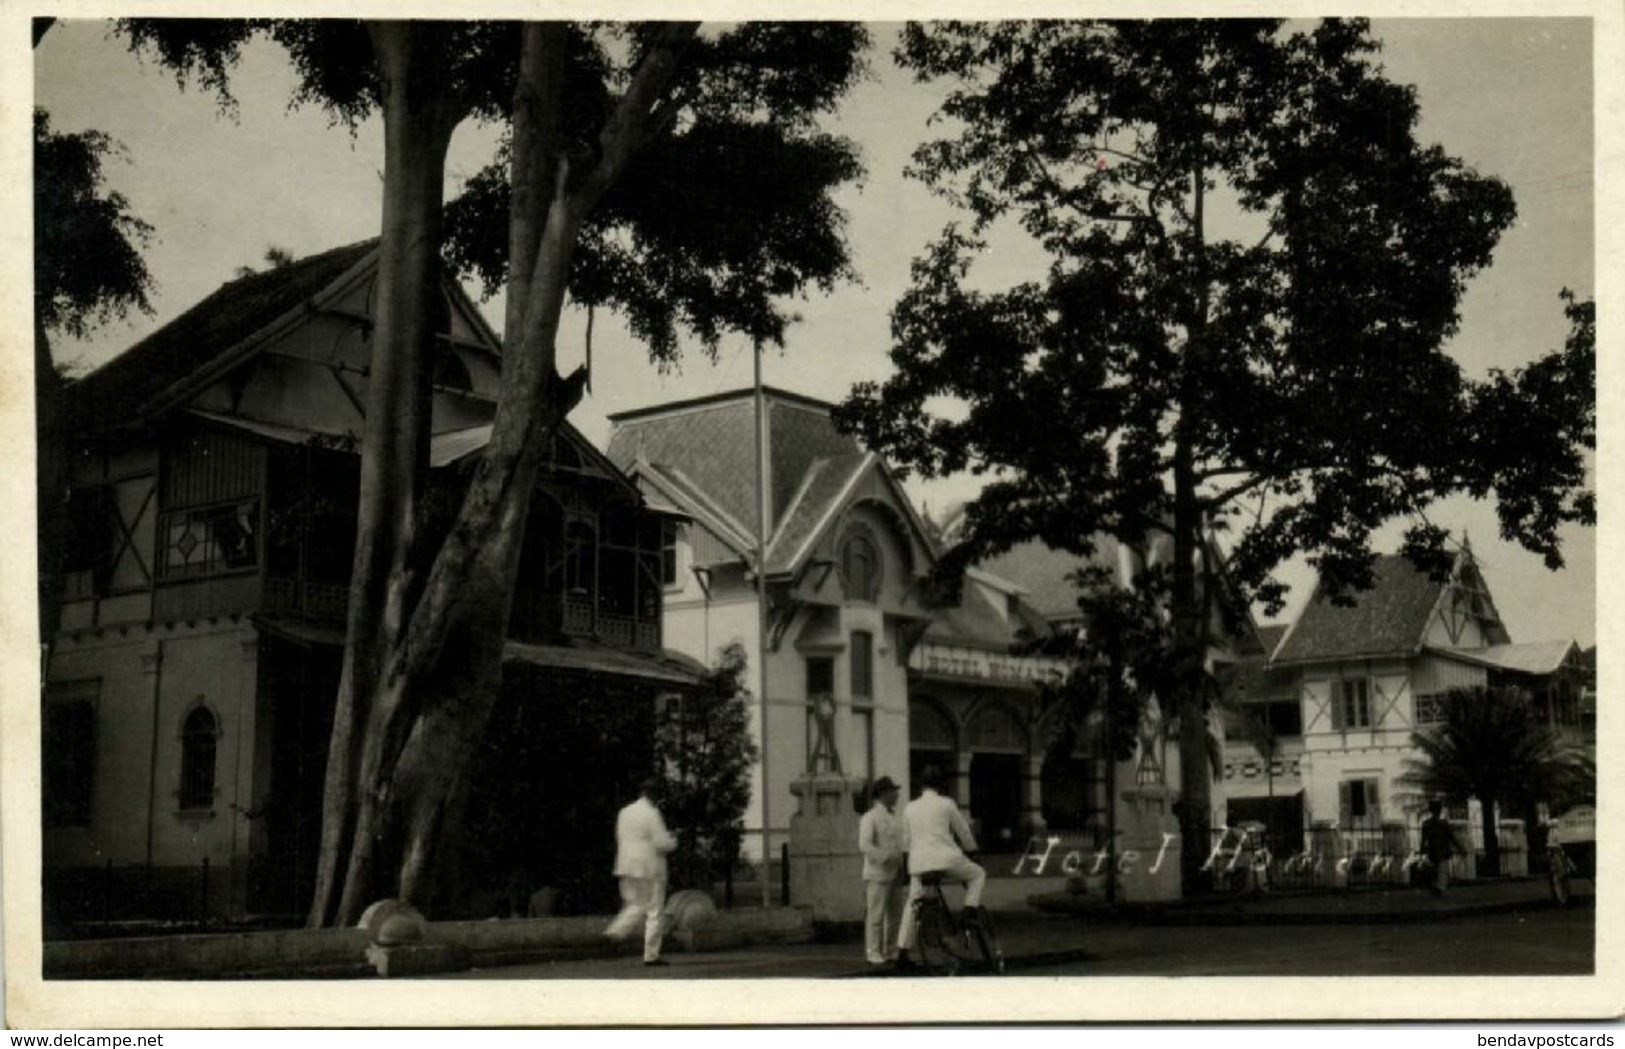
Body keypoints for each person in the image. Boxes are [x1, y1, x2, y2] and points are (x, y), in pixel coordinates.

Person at [894, 766, 987, 969]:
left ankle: (902, 952)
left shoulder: (909, 808)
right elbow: (963, 832)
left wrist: (907, 869)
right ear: (940, 785)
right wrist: (973, 852)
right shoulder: (947, 804)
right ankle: (969, 910)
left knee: (912, 903)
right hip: (946, 859)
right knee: (978, 874)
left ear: (922, 785)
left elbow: (906, 842)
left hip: (918, 863)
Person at [605, 778, 678, 965]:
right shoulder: (652, 813)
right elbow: (661, 843)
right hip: (649, 868)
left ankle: (615, 932)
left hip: (625, 866)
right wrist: (674, 839)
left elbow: (621, 837)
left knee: (635, 904)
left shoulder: (624, 812)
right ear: (654, 795)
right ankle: (651, 956)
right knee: (654, 911)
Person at [858, 775, 907, 966]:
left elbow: (899, 843)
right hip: (877, 873)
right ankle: (872, 952)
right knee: (875, 914)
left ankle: (890, 950)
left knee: (895, 915)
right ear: (883, 794)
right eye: (893, 791)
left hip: (895, 871)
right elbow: (864, 845)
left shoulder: (893, 817)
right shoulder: (869, 817)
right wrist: (883, 857)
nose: (896, 795)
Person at [1419, 799, 1461, 897]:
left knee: (1435, 871)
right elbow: (1452, 837)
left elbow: (1423, 839)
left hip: (1432, 851)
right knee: (1442, 871)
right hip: (1443, 850)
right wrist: (1460, 848)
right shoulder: (1443, 823)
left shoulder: (1426, 824)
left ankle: (1436, 889)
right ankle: (1439, 889)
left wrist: (1421, 850)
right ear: (1439, 810)